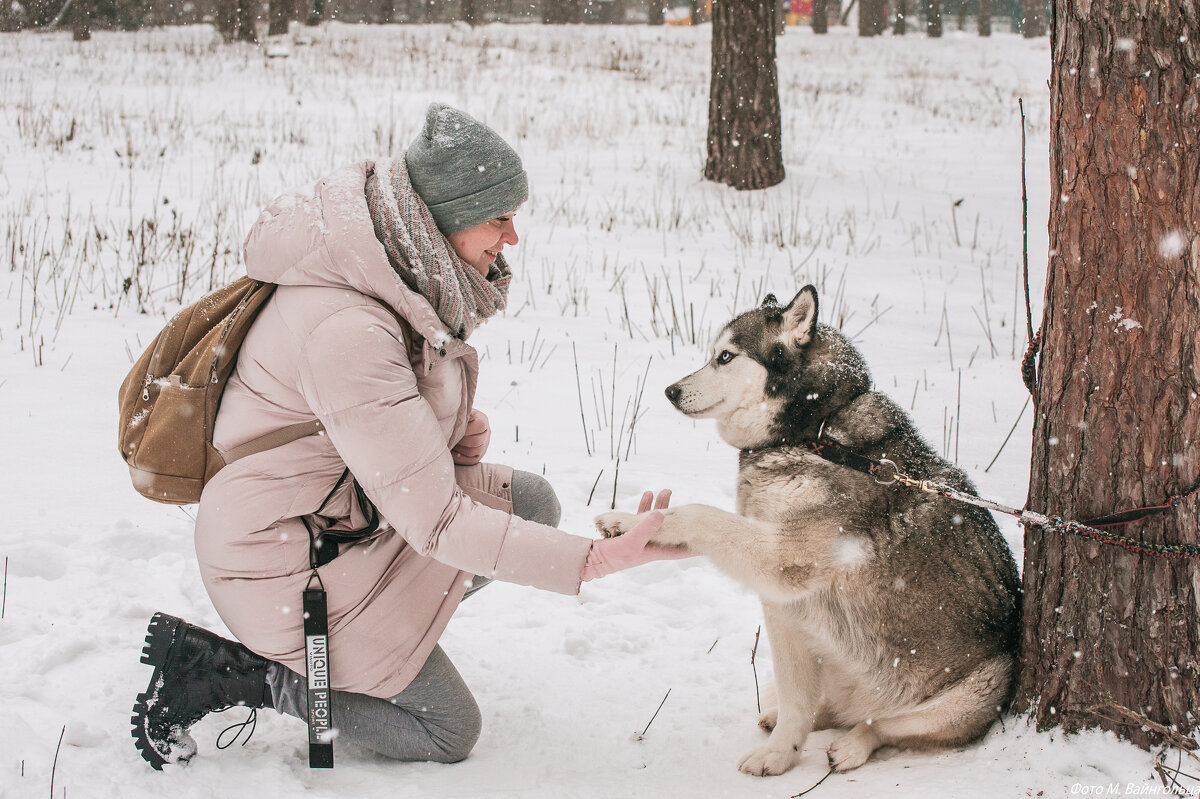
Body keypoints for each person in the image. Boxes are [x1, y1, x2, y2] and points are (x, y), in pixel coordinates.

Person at [131, 103, 687, 770]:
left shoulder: (391, 271)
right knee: (448, 730)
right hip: (281, 557)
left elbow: (374, 436)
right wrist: (595, 560)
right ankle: (246, 673)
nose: (513, 237)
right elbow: (438, 521)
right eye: (498, 217)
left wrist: (451, 435)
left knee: (528, 501)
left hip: (338, 517)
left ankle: (375, 640)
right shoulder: (348, 327)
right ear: (443, 219)